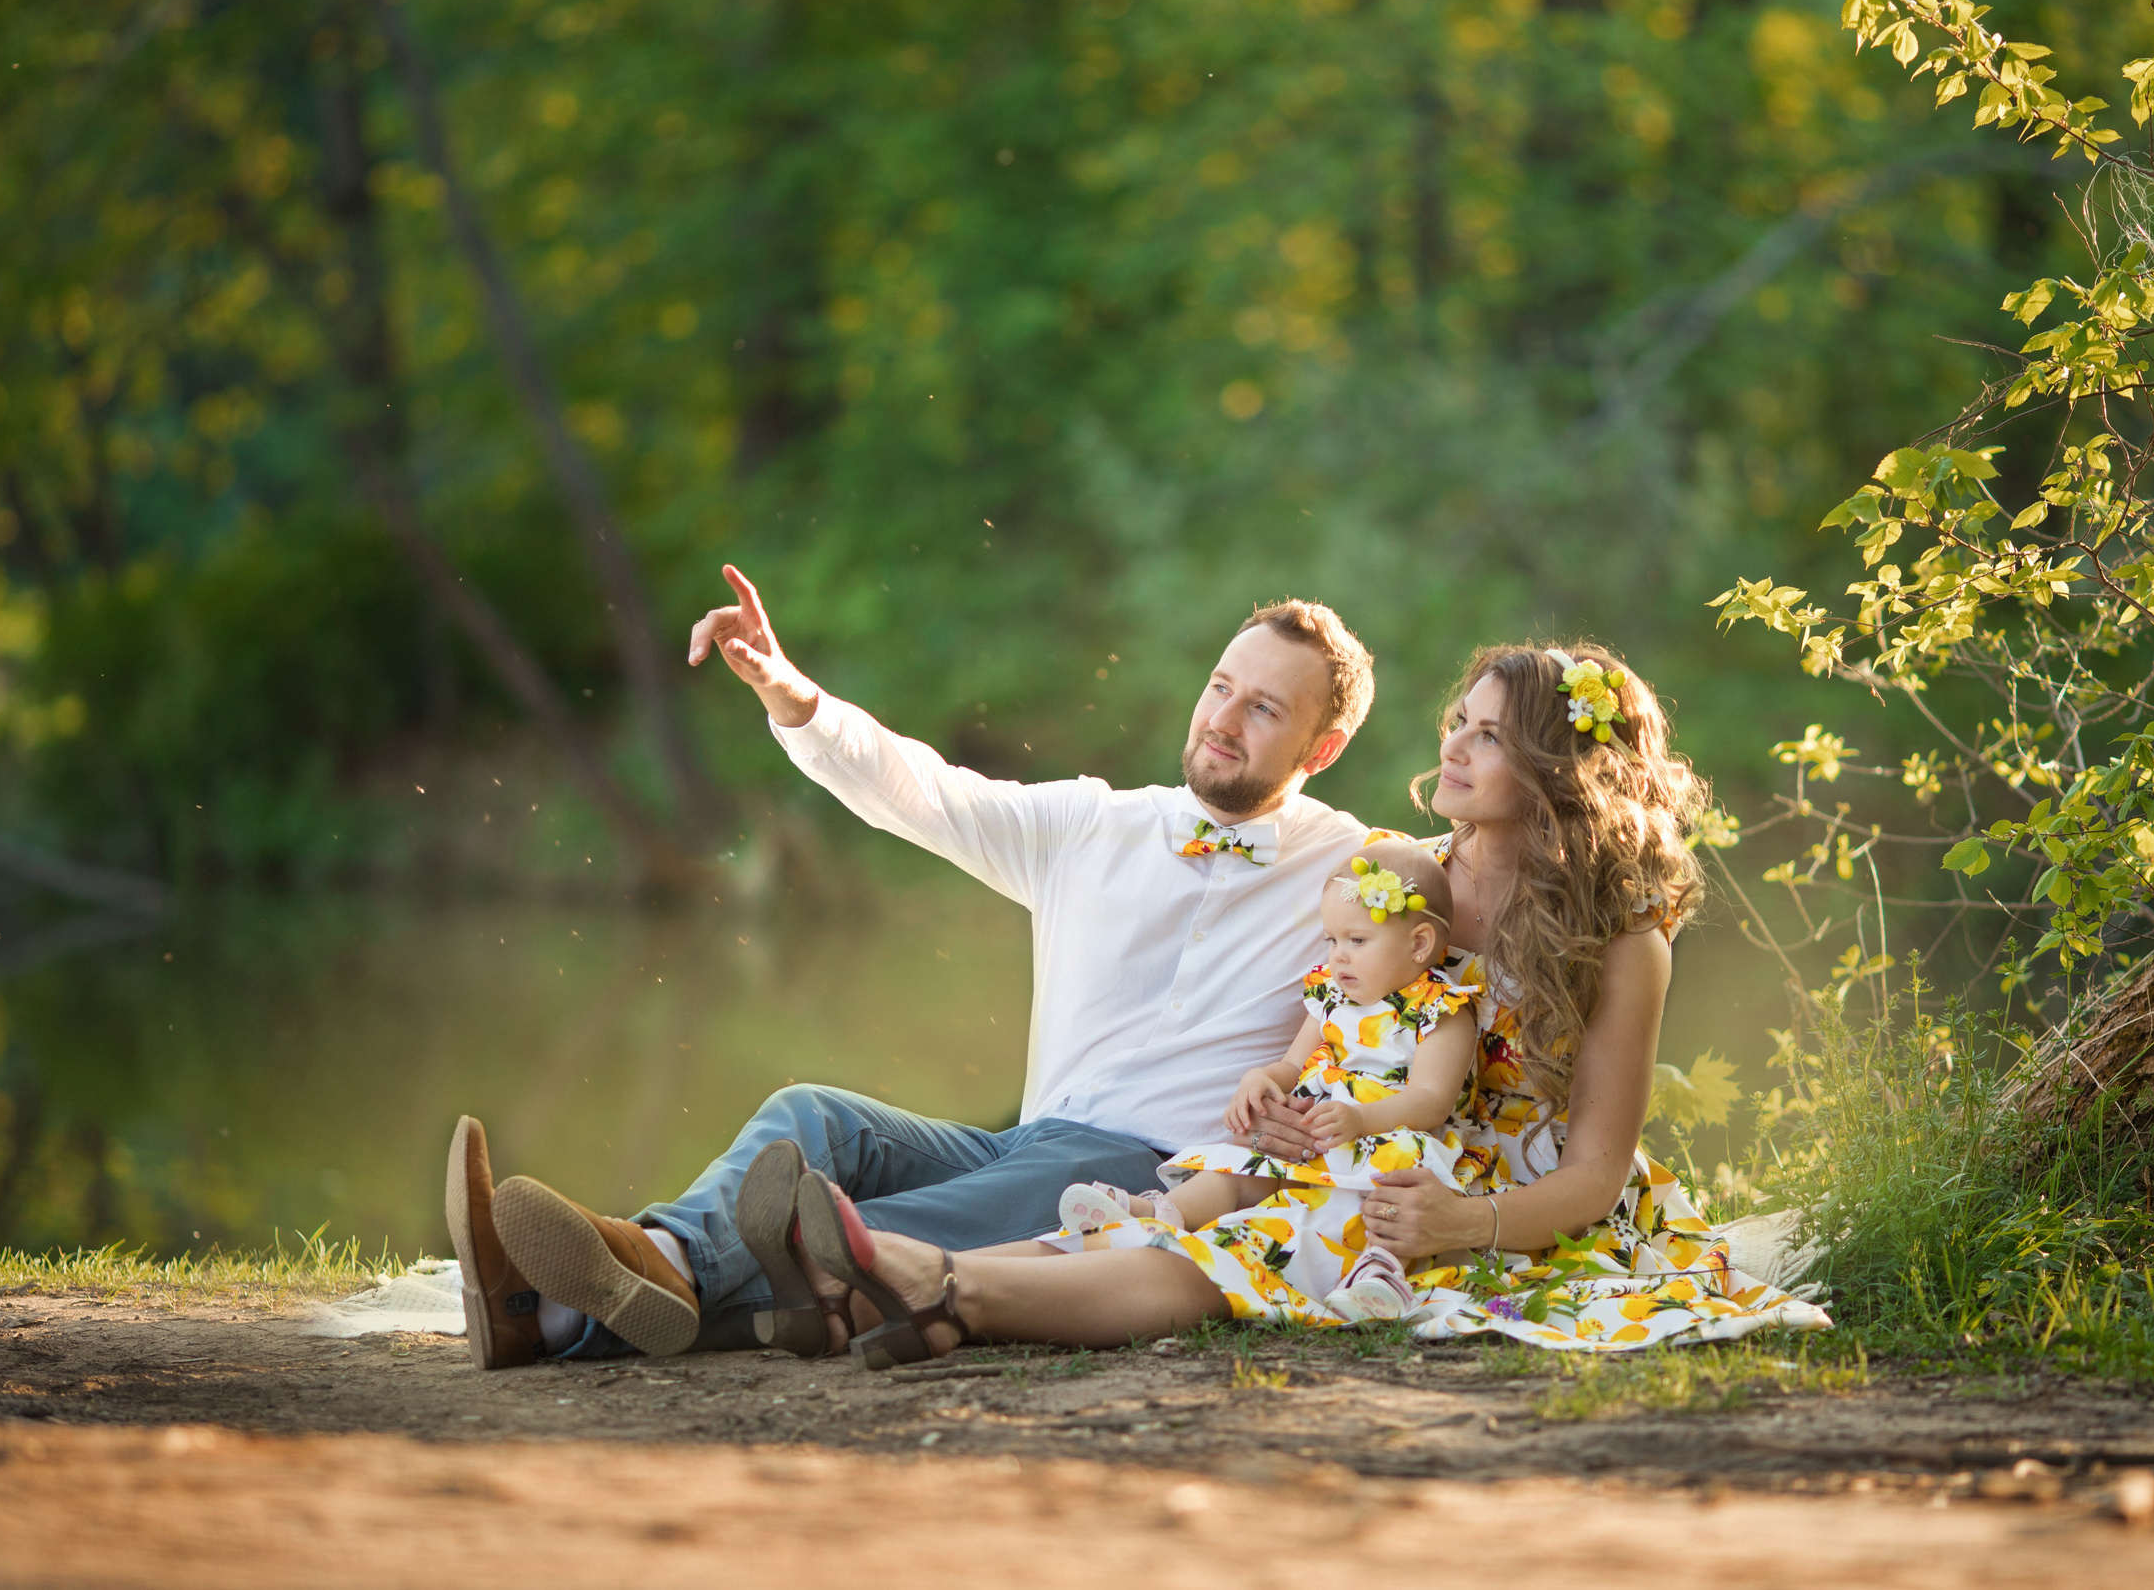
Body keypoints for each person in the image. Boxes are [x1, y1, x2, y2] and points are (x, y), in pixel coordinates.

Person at [774, 642, 1830, 1363]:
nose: (1451, 748)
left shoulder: (1622, 946)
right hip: (1360, 1143)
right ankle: (900, 1293)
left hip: (1507, 1196)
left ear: (1563, 771)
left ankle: (947, 1289)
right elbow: (1327, 1032)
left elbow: (1596, 1174)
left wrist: (1466, 1219)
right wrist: (1278, 1091)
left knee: (1256, 1244)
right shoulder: (1397, 878)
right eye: (1457, 723)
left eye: (1490, 737)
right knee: (1192, 1196)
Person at [444, 564, 1377, 1366]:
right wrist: (792, 696)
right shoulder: (1095, 823)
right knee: (814, 1118)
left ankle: (549, 1308)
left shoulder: (1360, 871)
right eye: (1220, 686)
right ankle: (646, 1264)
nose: (1224, 719)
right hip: (1031, 1137)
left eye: (1264, 708)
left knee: (844, 1238)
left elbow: (1484, 900)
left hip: (1154, 1173)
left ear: (1322, 748)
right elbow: (925, 792)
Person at [1052, 837, 1484, 1322]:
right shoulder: (1330, 996)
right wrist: (1261, 1079)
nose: (1338, 956)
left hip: (1392, 1136)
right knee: (1238, 1171)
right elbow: (1292, 1064)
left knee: (1381, 1195)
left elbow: (1431, 1100)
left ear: (1419, 944)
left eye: (1356, 941)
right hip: (1317, 1131)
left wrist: (1361, 1119)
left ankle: (1380, 1271)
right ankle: (1157, 1213)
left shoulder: (1440, 1010)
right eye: (1331, 940)